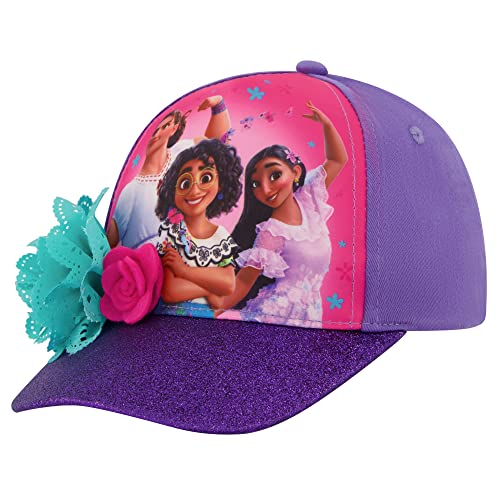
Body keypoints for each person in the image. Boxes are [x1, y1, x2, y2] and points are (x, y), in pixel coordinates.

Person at [209, 101, 348, 327]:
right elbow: (243, 282)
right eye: (256, 184)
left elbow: (337, 160)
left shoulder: (308, 200)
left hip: (311, 315)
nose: (265, 189)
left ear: (295, 172)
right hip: (275, 317)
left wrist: (327, 125)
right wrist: (206, 313)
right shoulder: (271, 232)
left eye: (274, 175)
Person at [107, 96, 231, 249]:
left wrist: (218, 105)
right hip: (152, 259)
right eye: (153, 129)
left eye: (164, 126)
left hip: (193, 253)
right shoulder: (130, 190)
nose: (156, 133)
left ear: (174, 127)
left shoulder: (184, 151)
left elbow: (218, 149)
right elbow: (109, 240)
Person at [154, 139, 243, 319]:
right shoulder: (172, 231)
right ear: (173, 190)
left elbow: (228, 284)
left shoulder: (221, 236)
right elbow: (170, 291)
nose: (194, 190)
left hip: (206, 323)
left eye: (206, 178)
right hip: (170, 320)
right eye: (185, 183)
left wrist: (184, 271)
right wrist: (211, 290)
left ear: (221, 183)